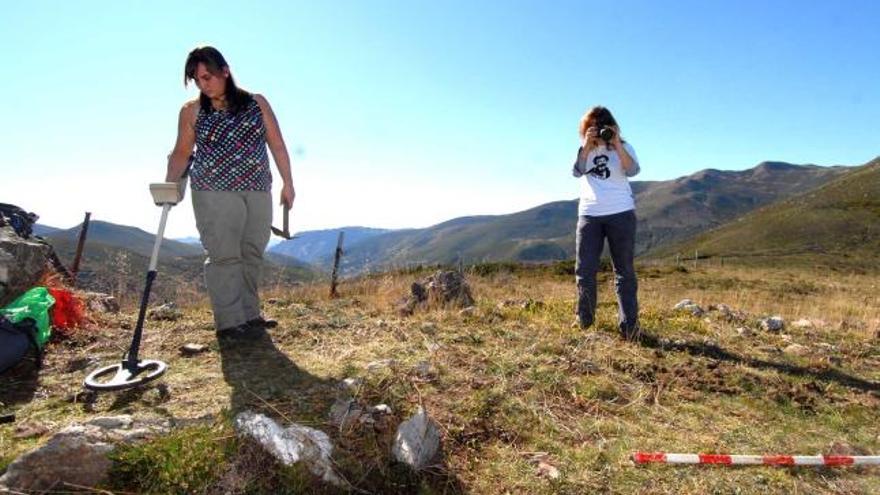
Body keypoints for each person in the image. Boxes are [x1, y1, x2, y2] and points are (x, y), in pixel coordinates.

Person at [165, 46, 295, 340]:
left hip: (258, 188)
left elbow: (276, 144)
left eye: (208, 77)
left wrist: (288, 183)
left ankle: (249, 315)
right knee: (224, 255)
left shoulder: (256, 103)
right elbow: (182, 152)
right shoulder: (192, 111)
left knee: (251, 253)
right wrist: (169, 187)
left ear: (225, 71)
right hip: (213, 191)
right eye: (197, 80)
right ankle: (229, 323)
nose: (203, 84)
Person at [571, 106, 640, 340]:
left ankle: (629, 326)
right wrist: (587, 147)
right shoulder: (585, 150)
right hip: (589, 214)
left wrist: (617, 144)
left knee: (624, 272)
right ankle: (584, 320)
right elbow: (577, 171)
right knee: (585, 270)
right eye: (593, 125)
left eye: (603, 124)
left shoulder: (624, 147)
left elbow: (633, 170)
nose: (598, 129)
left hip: (621, 213)